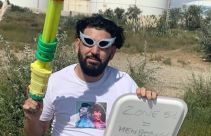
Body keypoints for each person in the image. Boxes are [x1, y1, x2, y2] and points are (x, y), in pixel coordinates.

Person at [23, 15, 157, 136]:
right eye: (88, 41)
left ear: (112, 52)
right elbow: (37, 133)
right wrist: (32, 118)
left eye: (104, 45)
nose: (95, 51)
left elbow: (143, 126)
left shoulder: (124, 83)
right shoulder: (55, 81)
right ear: (77, 45)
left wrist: (148, 100)